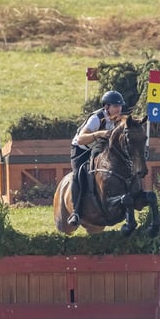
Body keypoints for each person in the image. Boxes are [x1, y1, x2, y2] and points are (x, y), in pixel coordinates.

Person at [67, 90, 128, 226]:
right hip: (81, 150)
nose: (119, 109)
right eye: (115, 106)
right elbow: (82, 139)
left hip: (99, 150)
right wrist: (99, 133)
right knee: (79, 174)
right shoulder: (96, 118)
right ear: (106, 106)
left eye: (120, 106)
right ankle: (75, 212)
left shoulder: (117, 119)